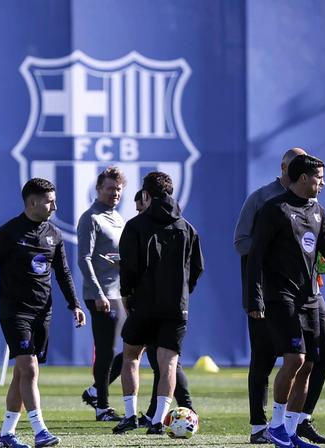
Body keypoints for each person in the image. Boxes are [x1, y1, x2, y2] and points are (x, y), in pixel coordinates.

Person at [0, 178, 86, 448]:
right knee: (29, 369)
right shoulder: (7, 233)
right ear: (32, 202)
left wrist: (74, 304)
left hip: (43, 313)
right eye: (49, 201)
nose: (54, 205)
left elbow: (63, 273)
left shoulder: (54, 234)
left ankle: (6, 435)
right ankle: (40, 430)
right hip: (14, 312)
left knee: (22, 374)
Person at [245, 154, 325, 448]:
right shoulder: (273, 210)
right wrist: (254, 297)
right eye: (319, 178)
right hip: (282, 296)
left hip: (311, 297)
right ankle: (275, 425)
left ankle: (289, 431)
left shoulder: (318, 211)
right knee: (295, 358)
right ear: (303, 178)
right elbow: (255, 257)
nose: (323, 183)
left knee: (311, 362)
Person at [112, 171, 203, 436]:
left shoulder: (136, 225)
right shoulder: (187, 227)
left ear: (147, 195)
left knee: (131, 357)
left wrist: (127, 296)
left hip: (143, 303)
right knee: (169, 364)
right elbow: (197, 268)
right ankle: (158, 421)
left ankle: (129, 416)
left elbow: (127, 268)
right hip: (176, 306)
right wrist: (184, 293)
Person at [76, 167, 126, 422]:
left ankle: (95, 391)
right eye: (109, 188)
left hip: (118, 292)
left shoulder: (117, 218)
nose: (114, 193)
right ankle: (102, 406)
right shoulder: (91, 218)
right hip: (101, 293)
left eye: (118, 188)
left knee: (130, 347)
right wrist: (97, 293)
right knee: (107, 349)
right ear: (98, 189)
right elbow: (84, 259)